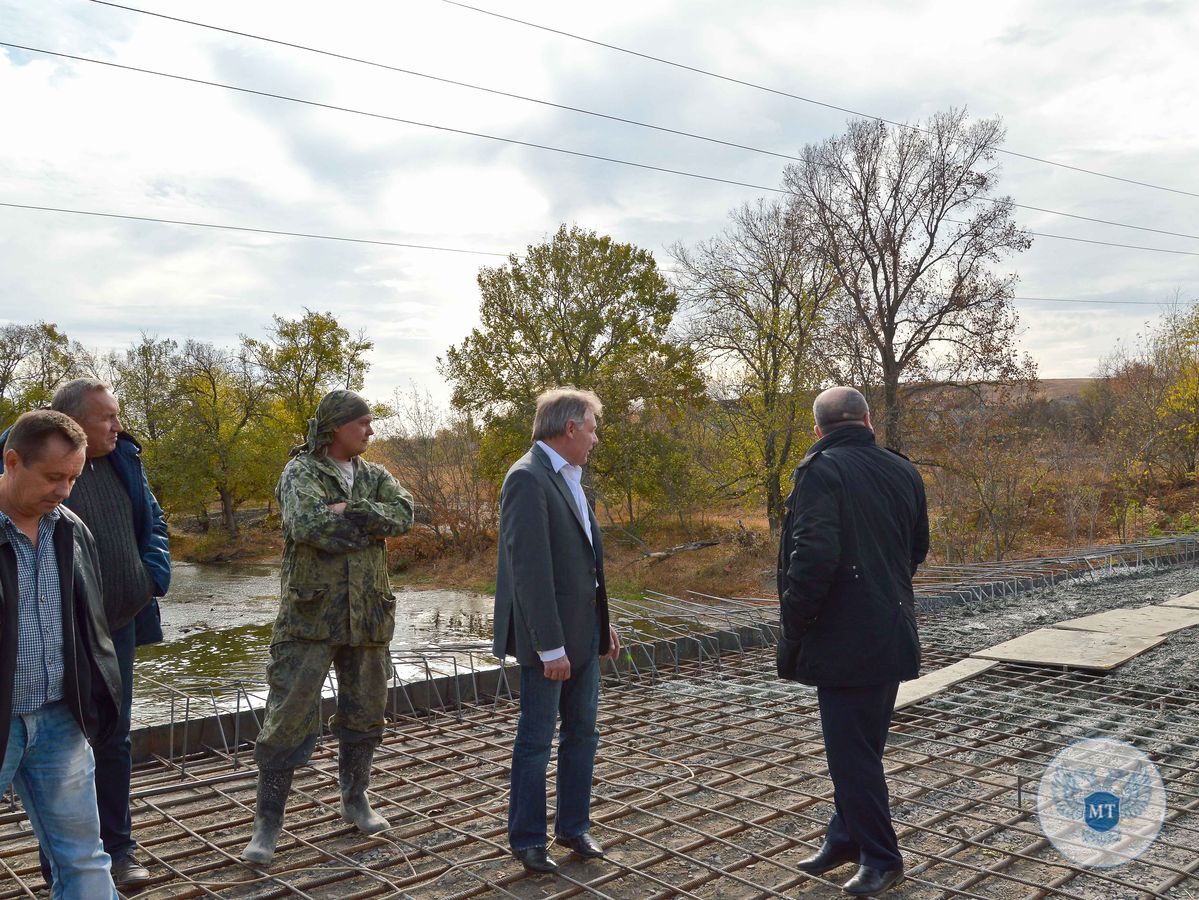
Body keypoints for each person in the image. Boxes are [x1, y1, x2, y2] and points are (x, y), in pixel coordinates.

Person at [242, 389, 414, 866]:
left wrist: (350, 511)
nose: (371, 431)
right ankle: (267, 825)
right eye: (363, 423)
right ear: (336, 427)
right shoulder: (301, 472)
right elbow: (307, 526)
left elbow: (404, 517)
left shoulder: (376, 475)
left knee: (366, 712)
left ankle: (354, 799)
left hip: (369, 616)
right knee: (288, 717)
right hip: (310, 618)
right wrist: (364, 526)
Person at [776, 386, 928, 898]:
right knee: (862, 747)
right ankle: (844, 839)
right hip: (890, 629)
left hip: (845, 640)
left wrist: (794, 623)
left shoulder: (822, 471)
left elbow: (812, 559)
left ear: (818, 430)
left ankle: (882, 857)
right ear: (867, 421)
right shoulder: (903, 470)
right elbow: (916, 548)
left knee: (852, 755)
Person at [41, 378, 170, 889]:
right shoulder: (28, 458)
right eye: (108, 418)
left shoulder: (123, 457)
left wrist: (150, 575)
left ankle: (118, 849)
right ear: (73, 423)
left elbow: (152, 520)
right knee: (58, 746)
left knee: (114, 739)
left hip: (118, 622)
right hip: (57, 631)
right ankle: (63, 863)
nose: (119, 425)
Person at [493, 387, 621, 875]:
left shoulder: (571, 477)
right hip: (550, 643)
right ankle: (527, 839)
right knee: (536, 740)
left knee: (583, 733)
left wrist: (605, 625)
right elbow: (530, 572)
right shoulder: (527, 478)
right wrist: (550, 647)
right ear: (569, 429)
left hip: (584, 634)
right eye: (591, 429)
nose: (594, 438)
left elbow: (586, 562)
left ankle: (573, 826)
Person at [0, 410, 122, 899]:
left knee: (85, 858)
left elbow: (91, 625)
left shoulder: (69, 528)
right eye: (53, 477)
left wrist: (96, 695)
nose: (64, 491)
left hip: (59, 719)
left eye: (72, 478)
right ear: (11, 461)